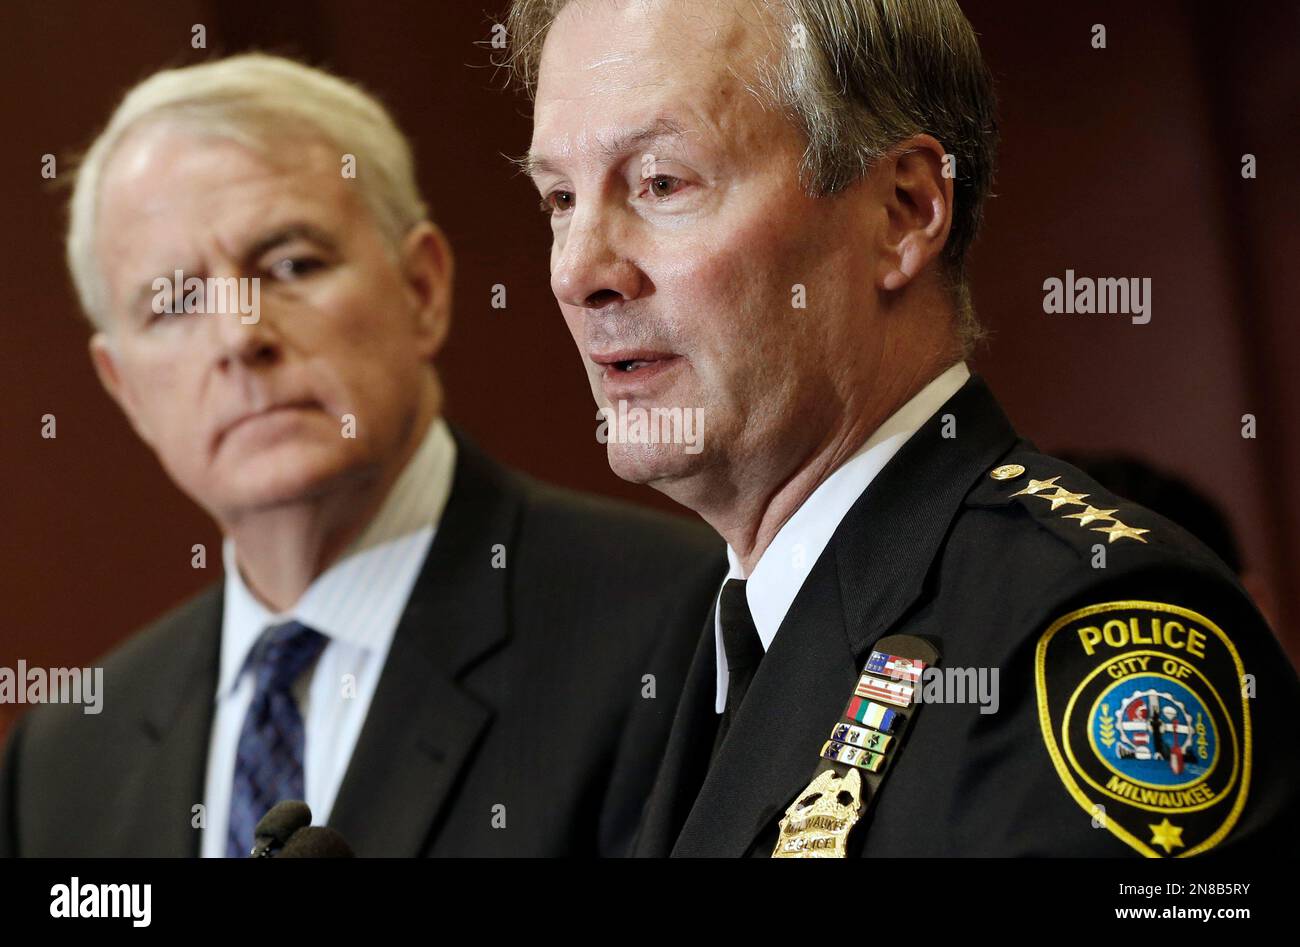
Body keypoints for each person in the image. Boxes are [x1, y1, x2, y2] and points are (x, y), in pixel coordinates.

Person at [506, 0, 1300, 856]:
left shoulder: (1095, 634)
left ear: (904, 211)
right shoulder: (709, 657)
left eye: (662, 182)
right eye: (558, 197)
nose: (578, 270)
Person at [0, 53, 723, 858]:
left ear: (423, 289)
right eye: (175, 302)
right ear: (123, 384)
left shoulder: (676, 627)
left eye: (290, 265)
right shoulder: (61, 765)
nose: (241, 335)